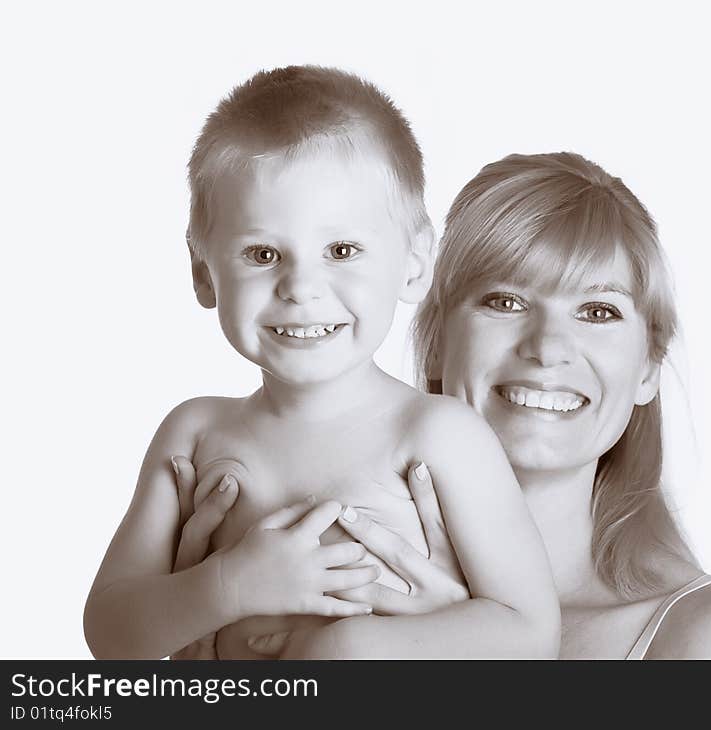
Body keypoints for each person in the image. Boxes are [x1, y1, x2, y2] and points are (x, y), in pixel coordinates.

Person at [191, 151, 711, 659]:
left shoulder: (710, 638)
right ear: (439, 341)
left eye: (598, 312)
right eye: (505, 300)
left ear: (649, 366)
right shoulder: (287, 583)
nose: (547, 349)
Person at [83, 67, 560, 660]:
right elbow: (110, 632)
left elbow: (530, 634)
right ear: (204, 273)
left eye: (342, 250)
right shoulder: (195, 432)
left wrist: (356, 647)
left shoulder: (439, 435)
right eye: (262, 254)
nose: (301, 287)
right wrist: (225, 587)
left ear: (413, 264)